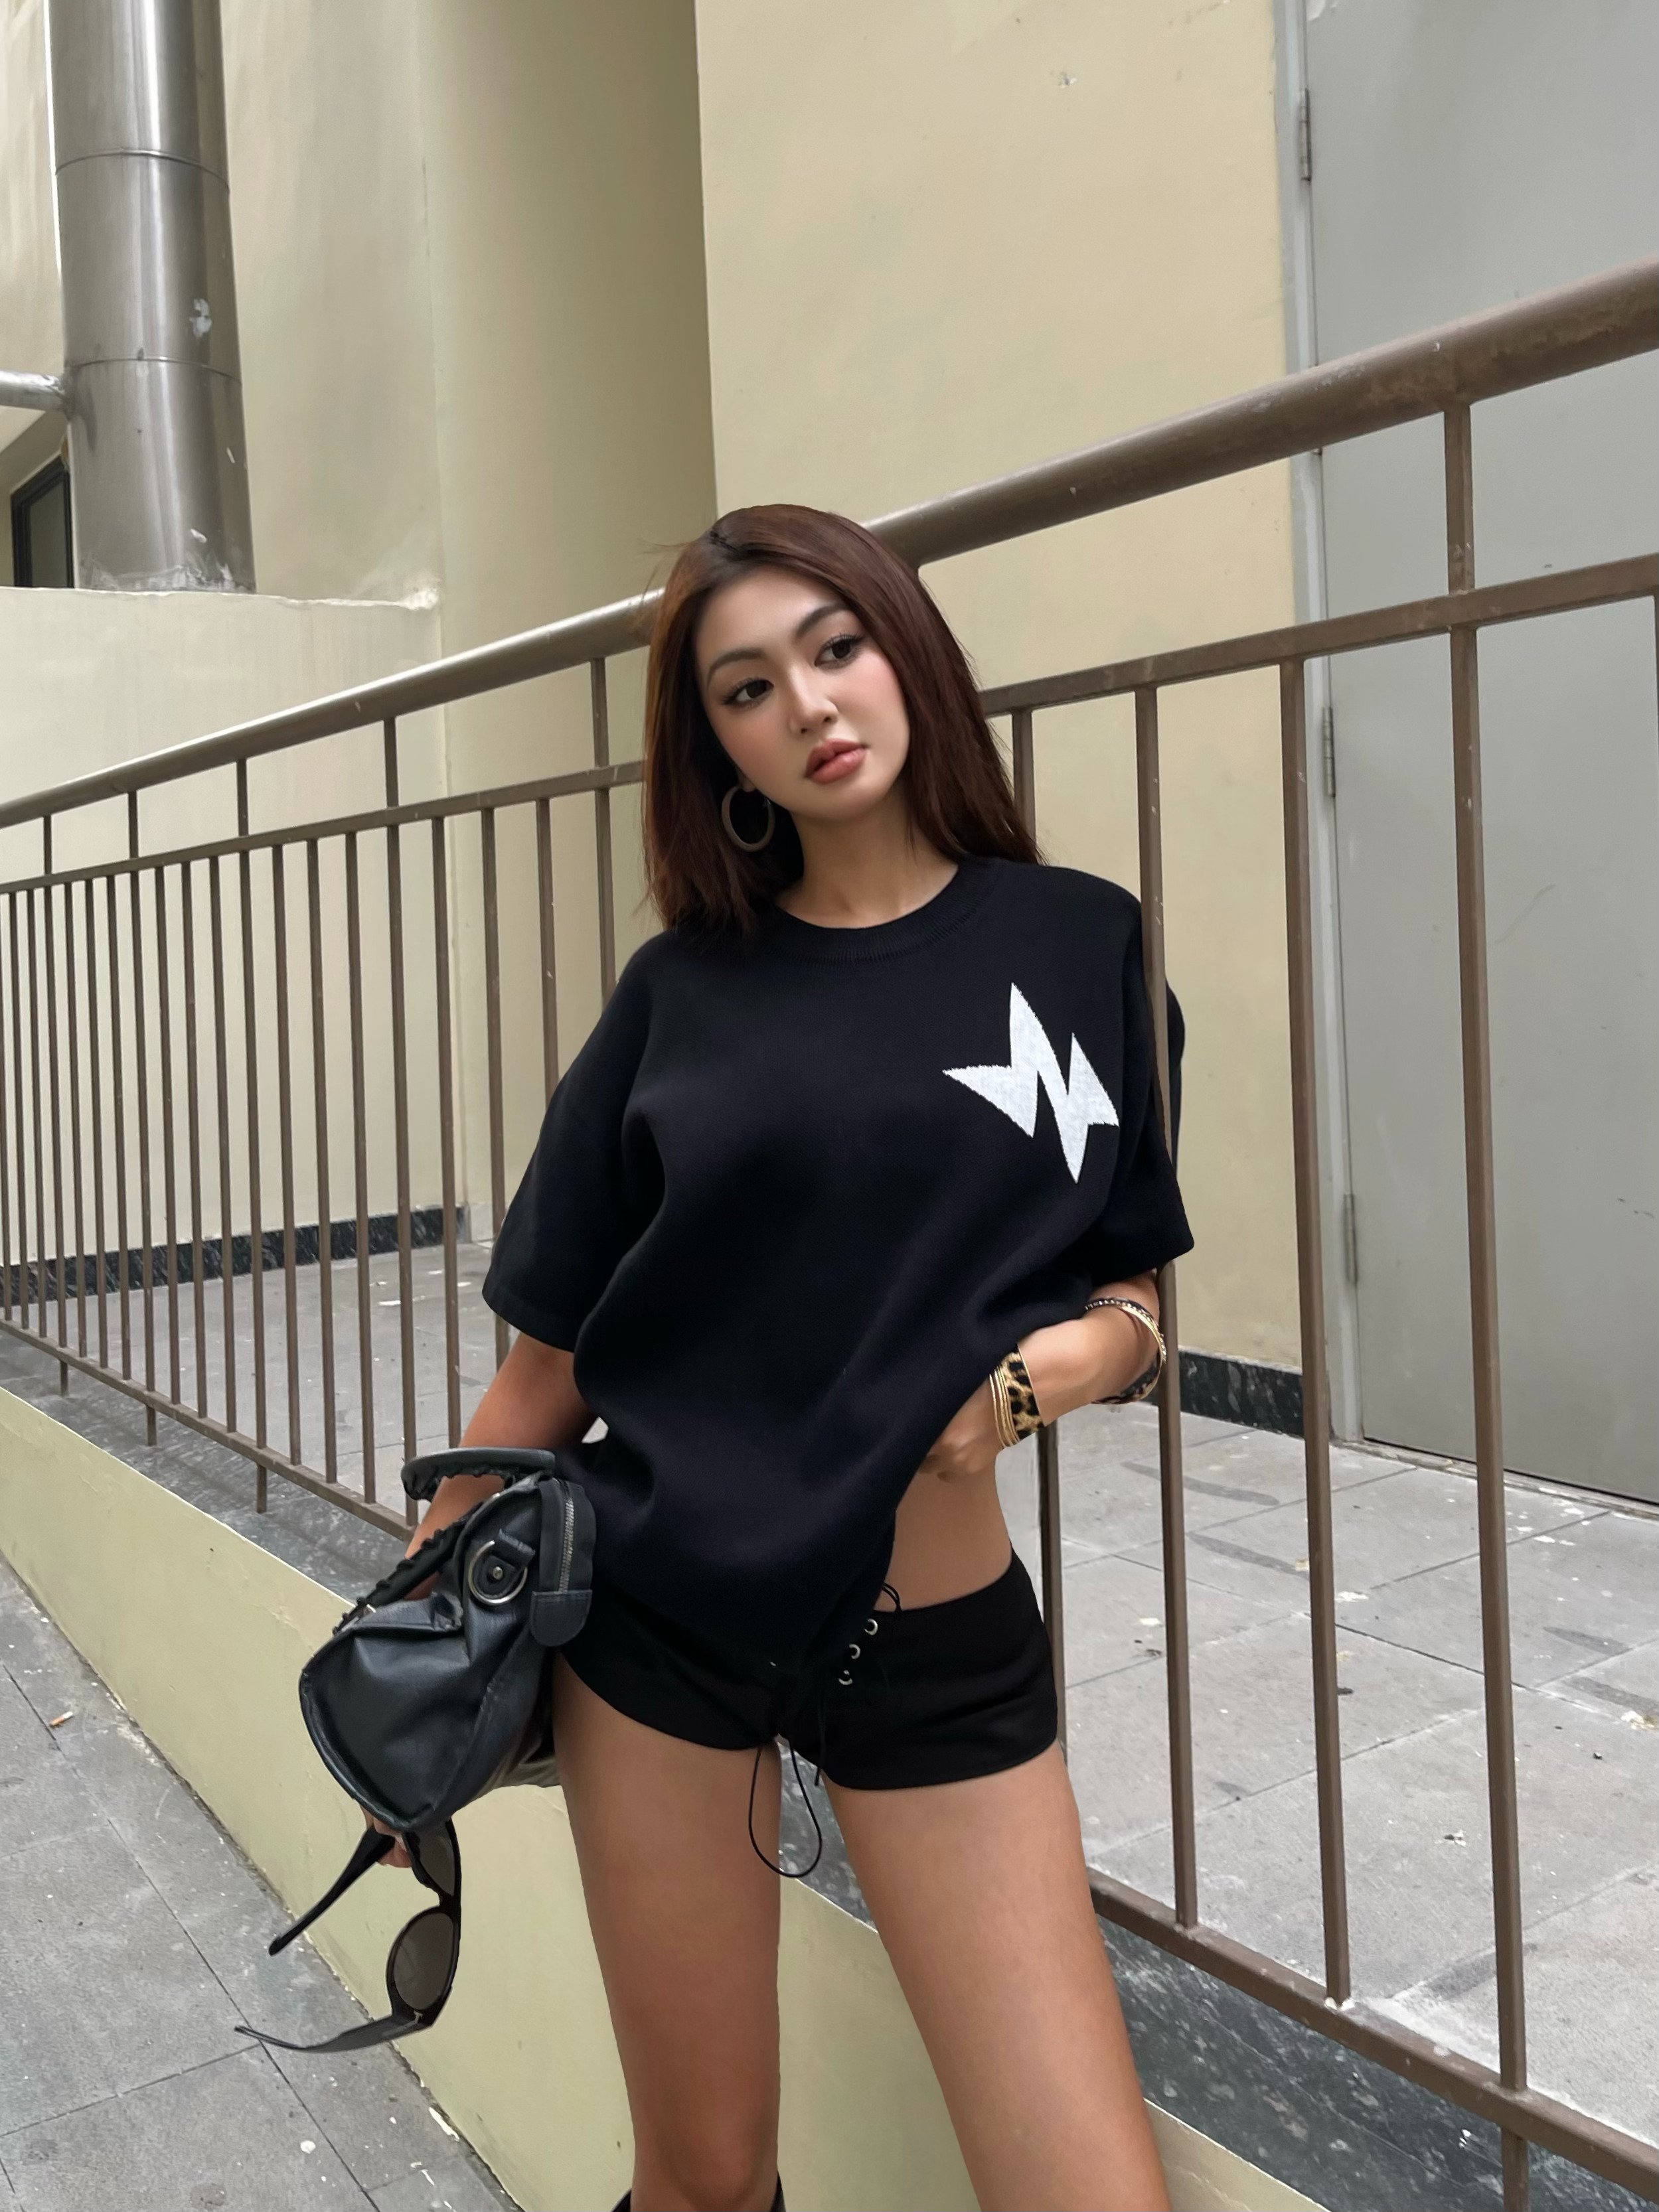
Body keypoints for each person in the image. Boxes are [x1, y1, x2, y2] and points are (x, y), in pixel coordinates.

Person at [391, 506, 1193, 2212]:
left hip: (931, 1636)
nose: (808, 703)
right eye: (746, 687)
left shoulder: (1081, 946)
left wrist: (1044, 1378)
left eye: (835, 647)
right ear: (720, 750)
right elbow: (543, 1376)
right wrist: (418, 1668)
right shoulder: (679, 996)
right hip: (659, 1630)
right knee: (702, 2179)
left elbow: (1131, 1287)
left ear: (906, 652)